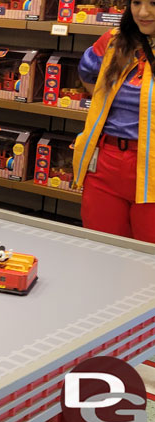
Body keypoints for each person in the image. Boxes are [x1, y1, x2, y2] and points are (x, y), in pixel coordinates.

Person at [73, 0, 155, 243]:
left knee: (147, 260)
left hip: (151, 166)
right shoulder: (113, 40)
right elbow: (87, 74)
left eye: (153, 3)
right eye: (136, 2)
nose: (143, 12)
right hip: (105, 163)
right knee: (102, 250)